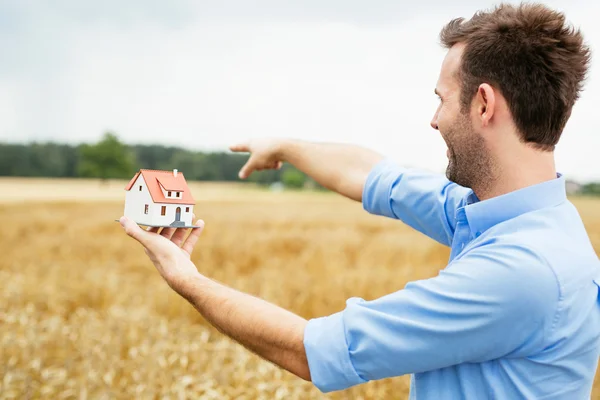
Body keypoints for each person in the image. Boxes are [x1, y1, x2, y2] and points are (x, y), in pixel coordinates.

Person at [119, 3, 600, 398]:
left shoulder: (522, 271)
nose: (435, 120)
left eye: (443, 99)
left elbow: (311, 351)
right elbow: (376, 176)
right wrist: (285, 147)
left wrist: (187, 280)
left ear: (483, 105)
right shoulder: (514, 217)